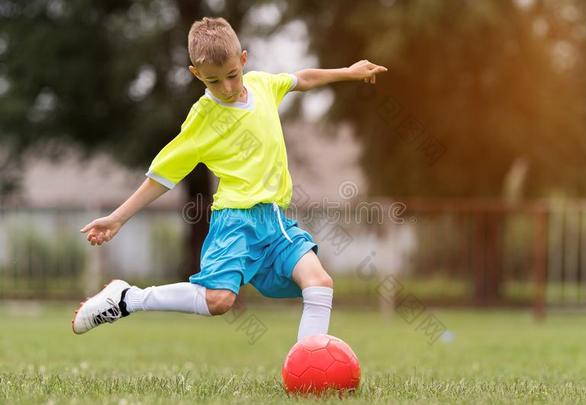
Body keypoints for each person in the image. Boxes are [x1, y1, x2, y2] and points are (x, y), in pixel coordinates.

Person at [72, 17, 387, 341]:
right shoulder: (203, 117)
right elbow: (162, 176)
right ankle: (128, 299)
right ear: (197, 75)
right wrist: (117, 218)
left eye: (232, 76)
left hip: (275, 221)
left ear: (243, 60)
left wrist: (348, 72)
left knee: (320, 284)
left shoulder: (263, 85)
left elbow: (301, 79)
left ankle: (309, 371)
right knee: (220, 300)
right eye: (213, 81)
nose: (226, 88)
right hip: (235, 222)